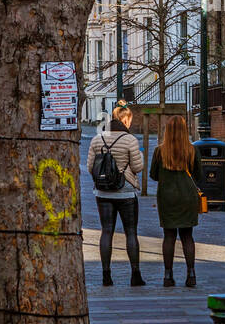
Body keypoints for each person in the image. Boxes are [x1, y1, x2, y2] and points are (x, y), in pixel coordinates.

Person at [85, 102, 145, 287]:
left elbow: (90, 167)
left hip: (103, 192)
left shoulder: (97, 139)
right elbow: (137, 167)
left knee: (106, 231)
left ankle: (106, 275)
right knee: (131, 232)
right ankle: (135, 275)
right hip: (125, 192)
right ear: (125, 120)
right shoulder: (130, 140)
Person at [149, 115, 202, 288]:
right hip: (187, 196)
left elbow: (153, 175)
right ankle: (191, 274)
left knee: (169, 236)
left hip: (167, 197)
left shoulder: (159, 151)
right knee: (187, 236)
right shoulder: (192, 150)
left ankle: (168, 275)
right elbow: (199, 175)